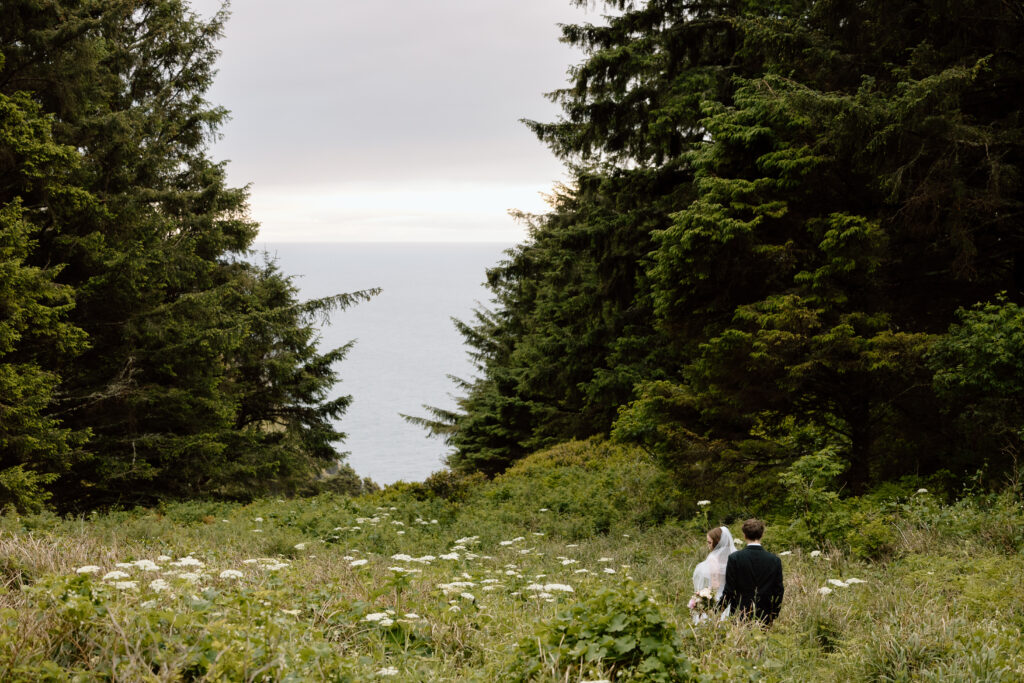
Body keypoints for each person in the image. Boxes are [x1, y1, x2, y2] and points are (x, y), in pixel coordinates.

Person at [721, 518, 784, 625]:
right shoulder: (774, 560)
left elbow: (729, 590)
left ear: (744, 535)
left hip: (740, 613)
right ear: (762, 534)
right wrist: (773, 614)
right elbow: (778, 591)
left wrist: (718, 610)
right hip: (765, 614)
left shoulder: (735, 558)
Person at [691, 526, 736, 623]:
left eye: (709, 542)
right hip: (731, 599)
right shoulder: (734, 556)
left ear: (717, 542)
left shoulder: (713, 559)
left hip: (718, 597)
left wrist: (704, 594)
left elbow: (715, 584)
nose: (708, 545)